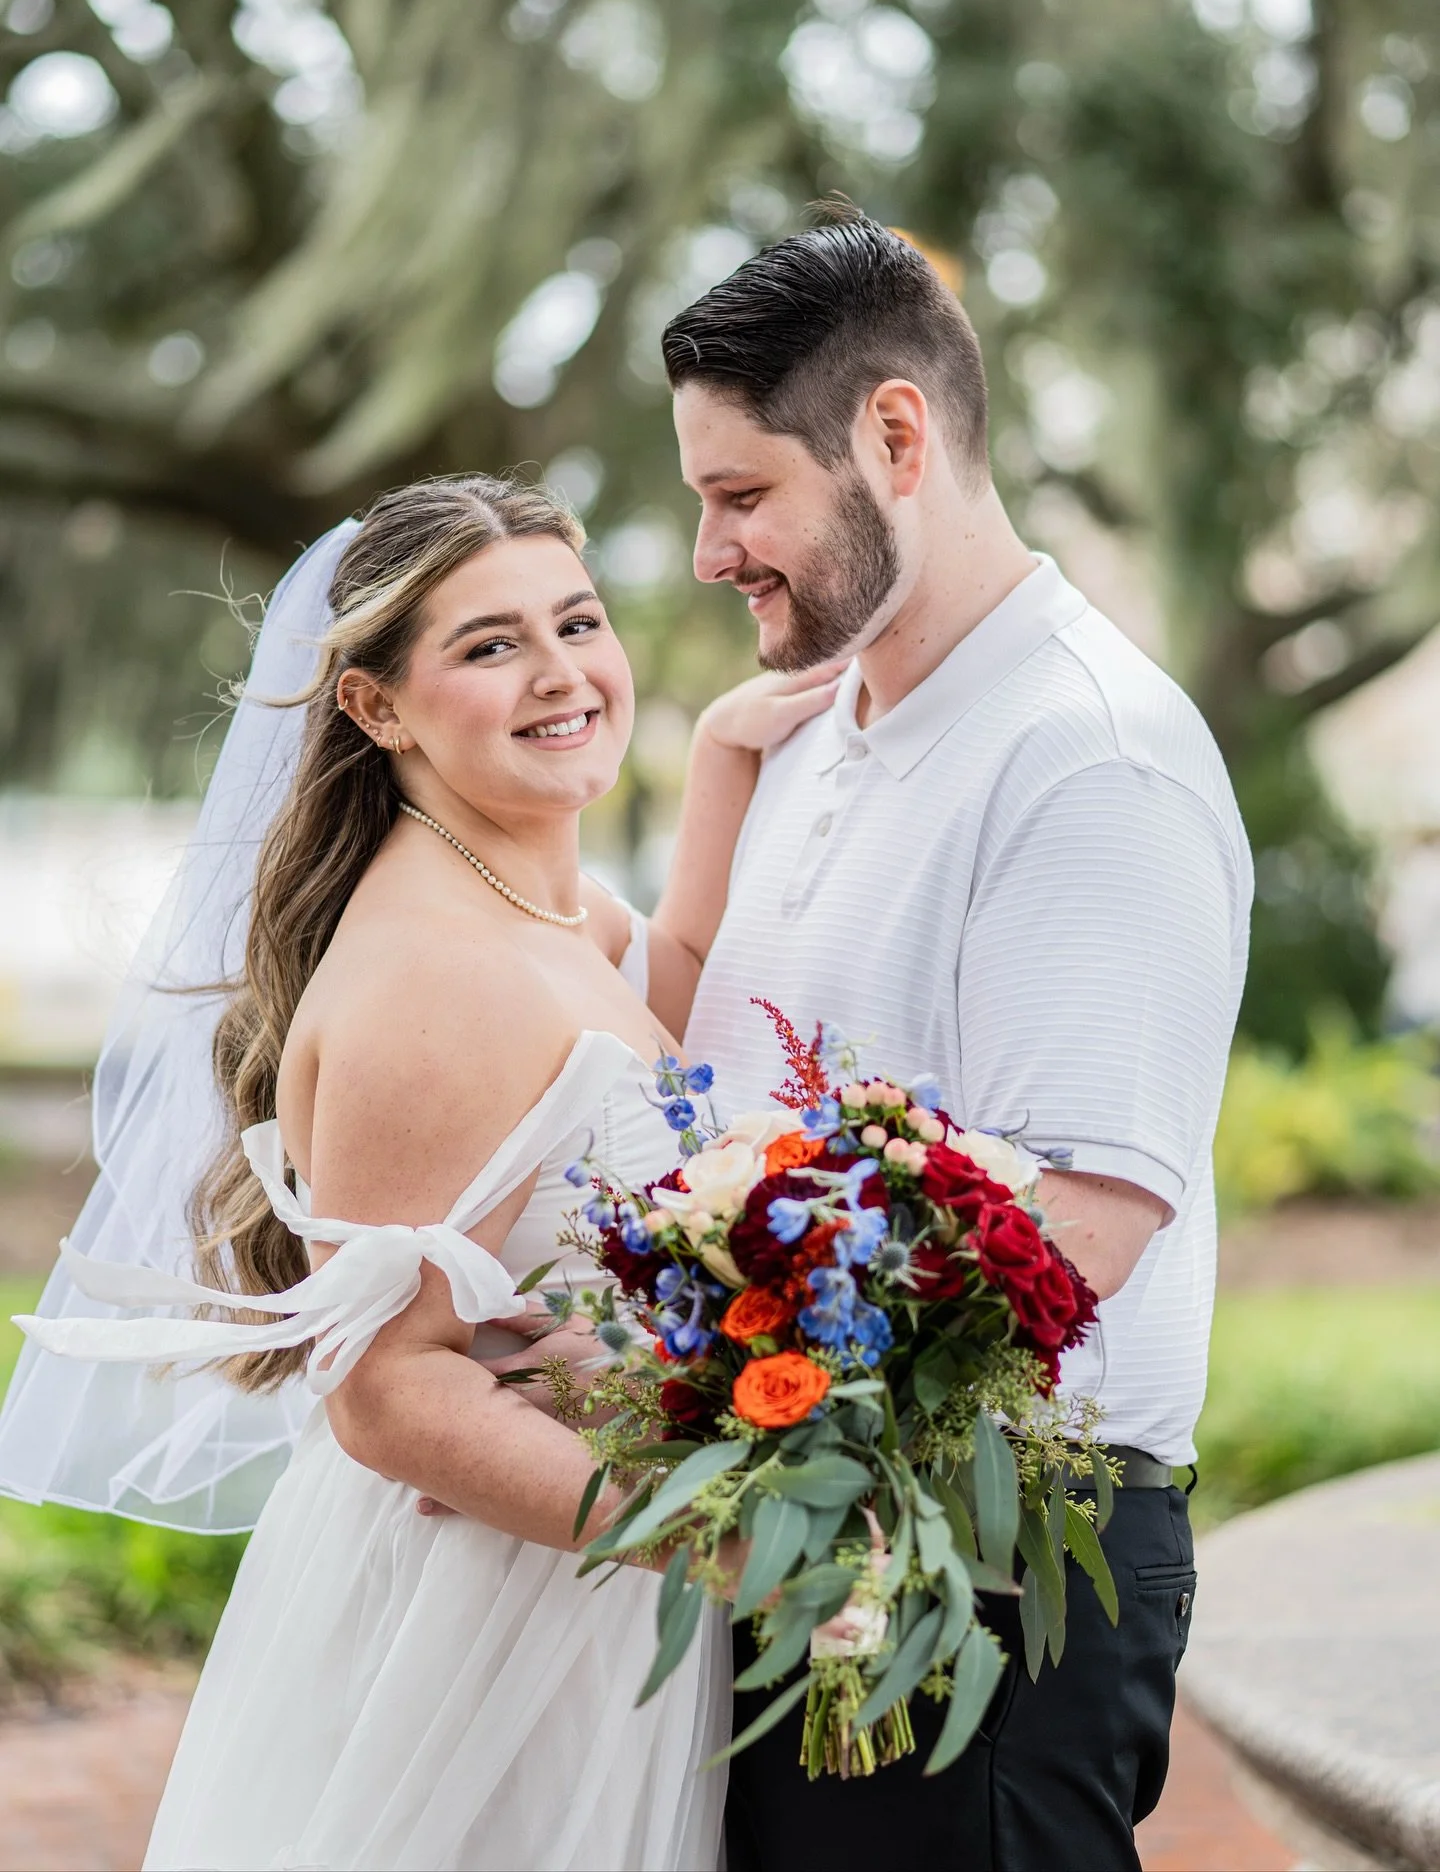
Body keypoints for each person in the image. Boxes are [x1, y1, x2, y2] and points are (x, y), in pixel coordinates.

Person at [12, 475, 837, 1872]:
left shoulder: (533, 902)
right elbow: (389, 1394)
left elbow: (665, 998)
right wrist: (725, 1535)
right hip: (492, 1626)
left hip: (578, 1573)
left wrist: (718, 761)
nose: (561, 671)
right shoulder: (431, 977)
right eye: (491, 645)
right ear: (376, 707)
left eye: (577, 622)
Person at [650, 211, 1253, 1872]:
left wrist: (676, 1365)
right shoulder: (810, 729)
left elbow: (1081, 1233)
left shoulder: (1092, 760)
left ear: (896, 438)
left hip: (989, 1570)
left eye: (741, 494)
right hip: (805, 1531)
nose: (709, 552)